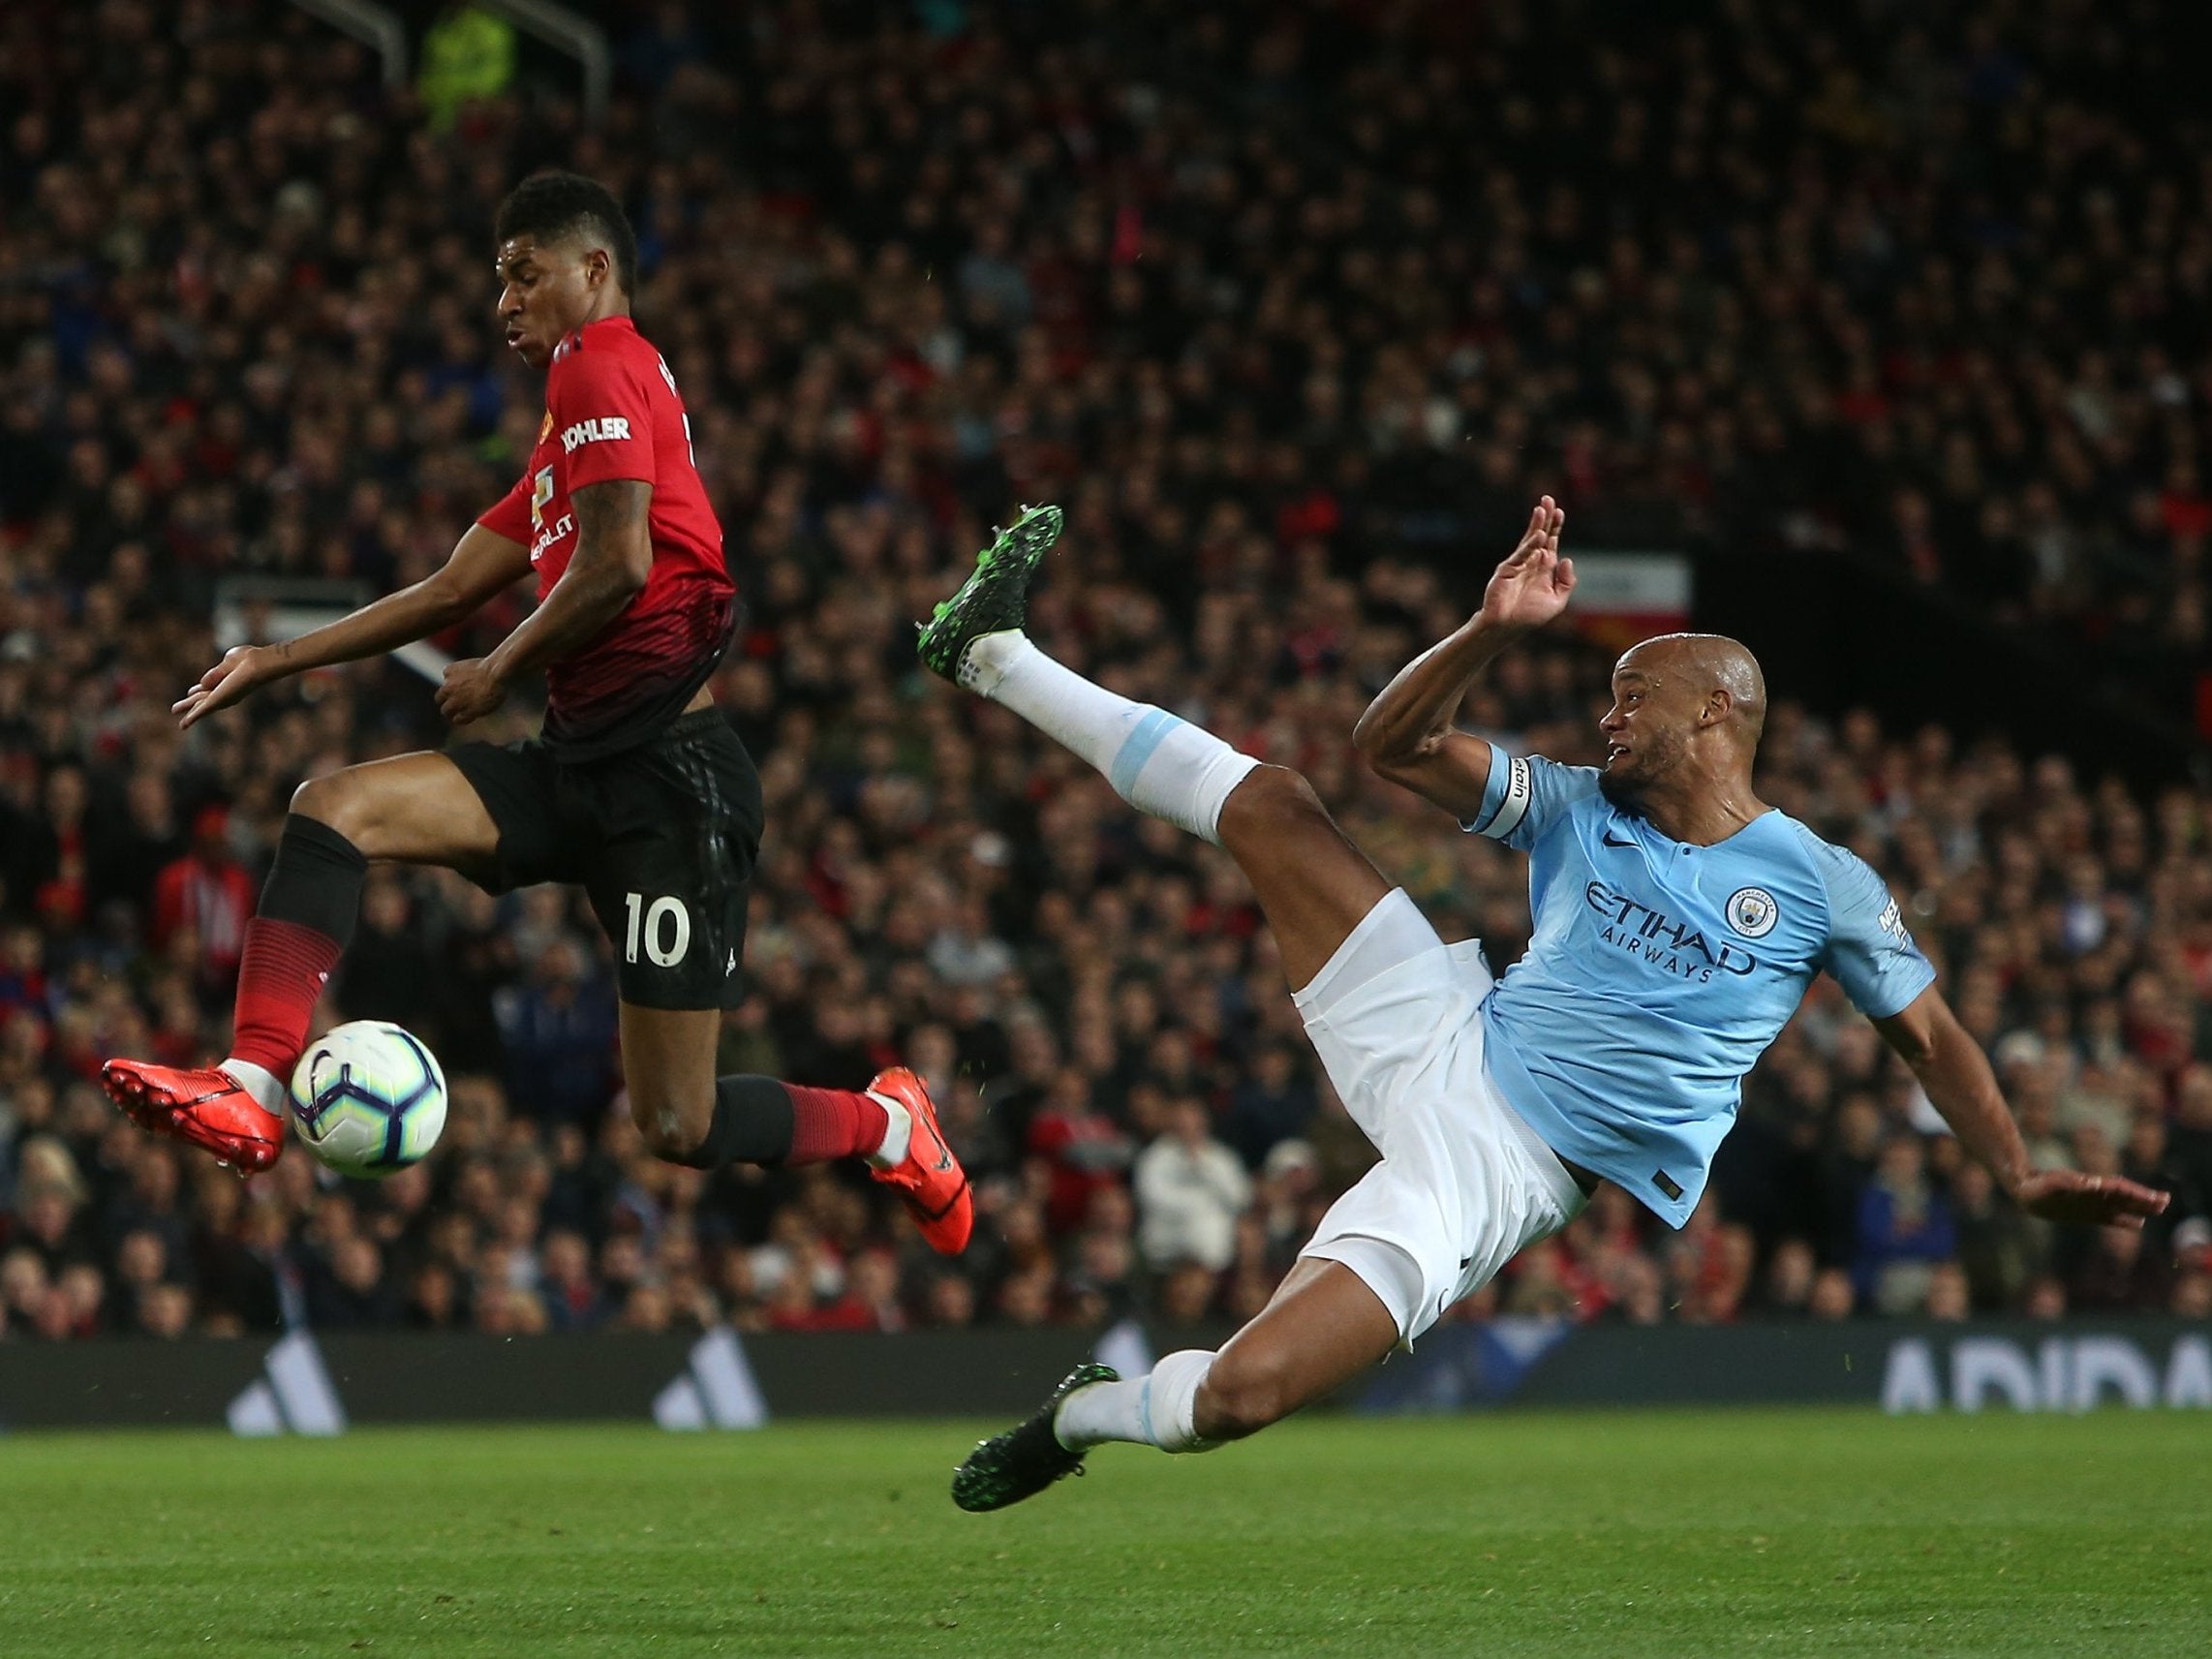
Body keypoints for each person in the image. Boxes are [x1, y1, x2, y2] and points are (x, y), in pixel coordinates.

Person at [929, 498, 2166, 1511]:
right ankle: (991, 653)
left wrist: (2012, 1172)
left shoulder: (1820, 884)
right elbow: (1394, 748)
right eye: (1608, 695)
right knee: (1275, 804)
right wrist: (1488, 629)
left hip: (1497, 1166)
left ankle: (1077, 1415)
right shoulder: (1579, 804)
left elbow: (1931, 1036)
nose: (1606, 715)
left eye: (1634, 696)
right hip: (1445, 1029)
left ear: (1717, 710)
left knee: (1232, 1402)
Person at [99, 173, 969, 1255]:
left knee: (676, 1123)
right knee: (332, 809)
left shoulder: (601, 360)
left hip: (670, 785)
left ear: (593, 270)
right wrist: (273, 658)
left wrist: (500, 668)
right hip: (575, 767)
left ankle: (889, 1126)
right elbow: (445, 590)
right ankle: (251, 1089)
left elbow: (617, 563)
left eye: (524, 274)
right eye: (497, 280)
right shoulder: (568, 434)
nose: (504, 302)